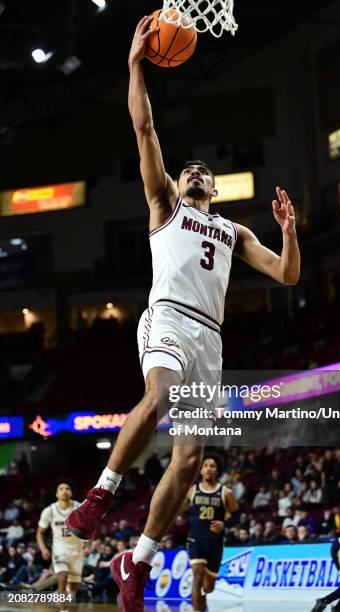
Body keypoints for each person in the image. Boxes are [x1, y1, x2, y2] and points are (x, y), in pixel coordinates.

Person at [67, 13, 300, 612]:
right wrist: (134, 64)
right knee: (161, 395)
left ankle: (136, 563)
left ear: (216, 191)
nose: (196, 172)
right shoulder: (165, 203)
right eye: (190, 168)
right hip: (166, 317)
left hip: (212, 343)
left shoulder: (232, 229)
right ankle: (101, 495)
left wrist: (290, 231)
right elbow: (143, 128)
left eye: (205, 173)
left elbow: (286, 274)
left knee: (192, 457)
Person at [186, 453, 238, 612]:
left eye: (212, 466)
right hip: (196, 540)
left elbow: (235, 516)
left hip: (215, 543)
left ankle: (203, 597)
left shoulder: (226, 492)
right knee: (197, 575)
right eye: (205, 466)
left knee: (208, 587)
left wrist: (225, 524)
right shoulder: (192, 490)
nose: (208, 469)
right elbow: (177, 509)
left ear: (217, 471)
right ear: (201, 470)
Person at [37, 481, 83, 612]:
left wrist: (88, 546)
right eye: (61, 489)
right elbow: (40, 532)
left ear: (71, 492)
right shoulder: (49, 510)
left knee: (73, 590)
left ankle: (59, 595)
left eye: (67, 488)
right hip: (59, 550)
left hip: (77, 551)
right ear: (57, 494)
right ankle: (63, 610)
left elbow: (91, 527)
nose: (64, 491)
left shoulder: (79, 508)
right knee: (62, 576)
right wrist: (43, 549)